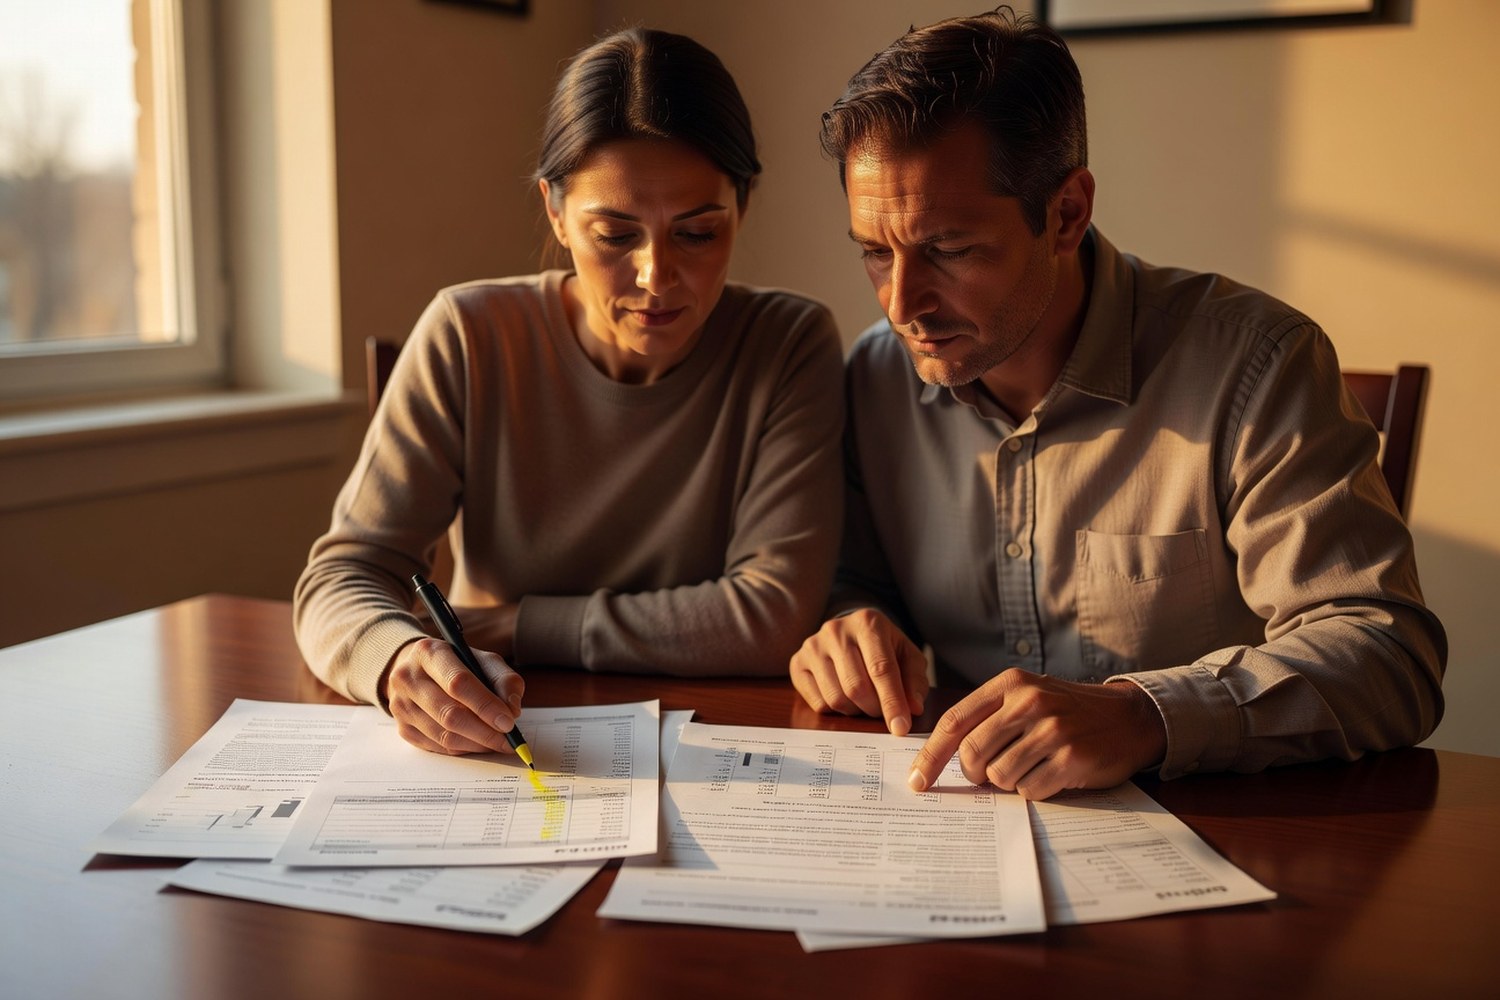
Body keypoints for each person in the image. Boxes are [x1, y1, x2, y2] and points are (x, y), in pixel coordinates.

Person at [790, 7, 1445, 800]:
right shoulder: (876, 377)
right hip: (958, 827)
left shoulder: (1256, 365)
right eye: (873, 252)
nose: (902, 304)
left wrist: (1143, 714)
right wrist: (846, 630)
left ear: (1066, 214)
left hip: (1233, 845)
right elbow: (859, 583)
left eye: (949, 251)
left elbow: (1388, 654)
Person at [295, 27, 843, 757]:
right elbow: (344, 574)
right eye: (615, 235)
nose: (655, 276)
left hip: (718, 742)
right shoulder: (469, 333)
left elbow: (772, 614)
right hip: (503, 738)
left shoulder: (789, 342)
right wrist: (399, 659)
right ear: (555, 211)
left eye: (698, 234)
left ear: (742, 206)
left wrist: (511, 624)